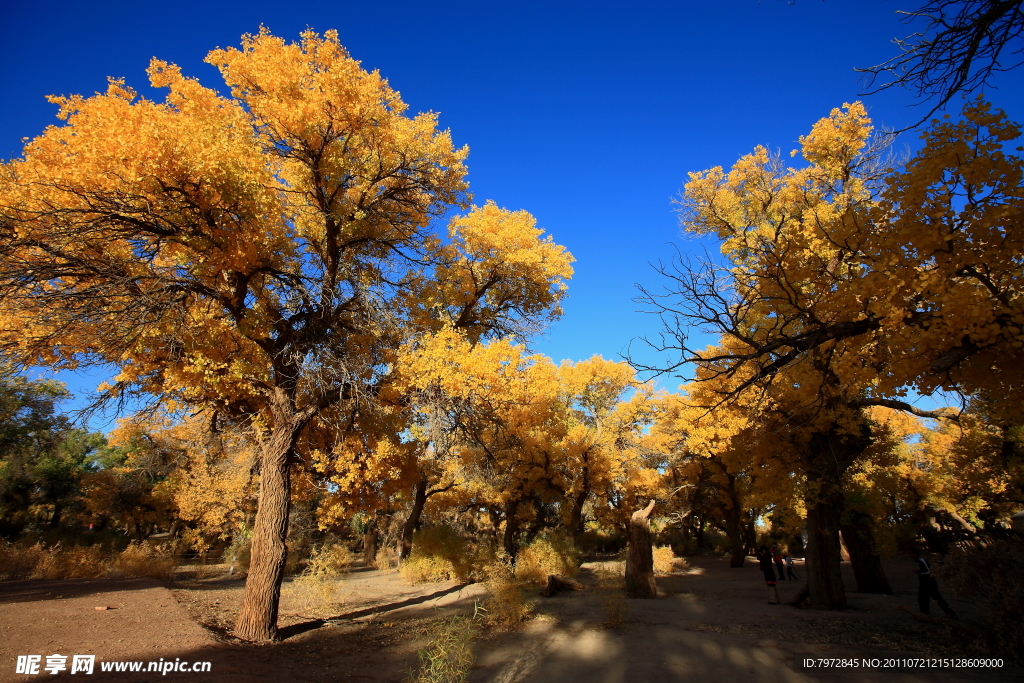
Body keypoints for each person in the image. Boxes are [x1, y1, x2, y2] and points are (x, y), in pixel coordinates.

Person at [909, 548, 957, 619]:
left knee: (937, 599)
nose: (910, 555)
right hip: (924, 583)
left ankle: (951, 614)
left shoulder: (921, 561)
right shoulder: (917, 561)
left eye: (911, 553)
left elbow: (927, 571)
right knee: (923, 599)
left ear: (915, 554)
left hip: (929, 583)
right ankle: (925, 614)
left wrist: (918, 572)